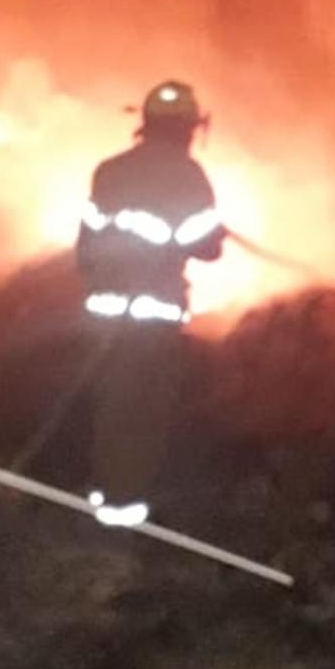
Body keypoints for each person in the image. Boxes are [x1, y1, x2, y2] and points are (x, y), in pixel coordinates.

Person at [76, 80, 224, 527]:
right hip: (154, 318)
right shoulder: (190, 176)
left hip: (105, 315)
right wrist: (210, 231)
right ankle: (125, 509)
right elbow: (208, 249)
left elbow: (85, 247)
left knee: (111, 403)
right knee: (145, 409)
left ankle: (104, 495)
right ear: (189, 128)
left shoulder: (109, 171)